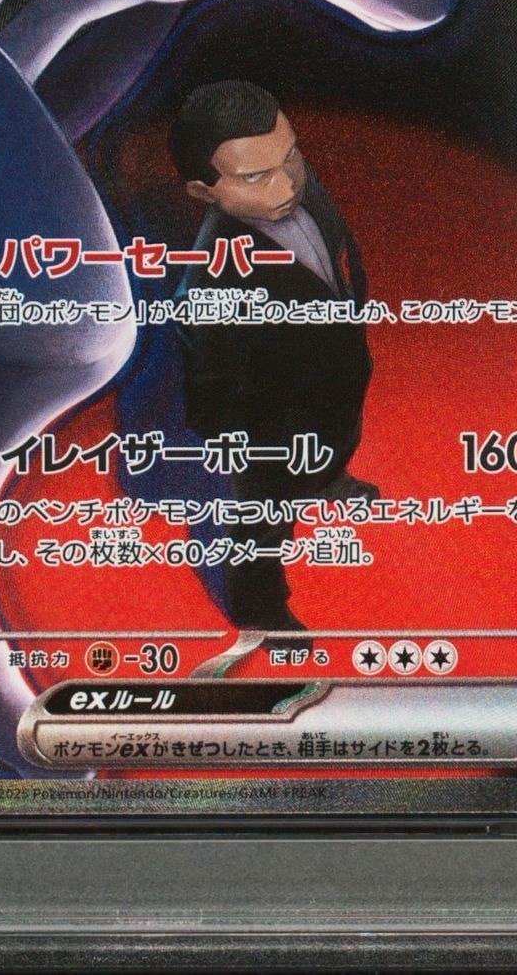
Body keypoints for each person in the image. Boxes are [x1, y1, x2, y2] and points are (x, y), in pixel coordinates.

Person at [168, 80, 378, 632]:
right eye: (255, 176)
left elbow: (339, 248)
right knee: (262, 520)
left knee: (338, 437)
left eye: (291, 157)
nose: (287, 185)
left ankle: (327, 478)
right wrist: (247, 447)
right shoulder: (209, 280)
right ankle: (258, 607)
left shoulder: (303, 186)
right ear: (202, 191)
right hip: (268, 428)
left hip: (334, 376)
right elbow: (209, 384)